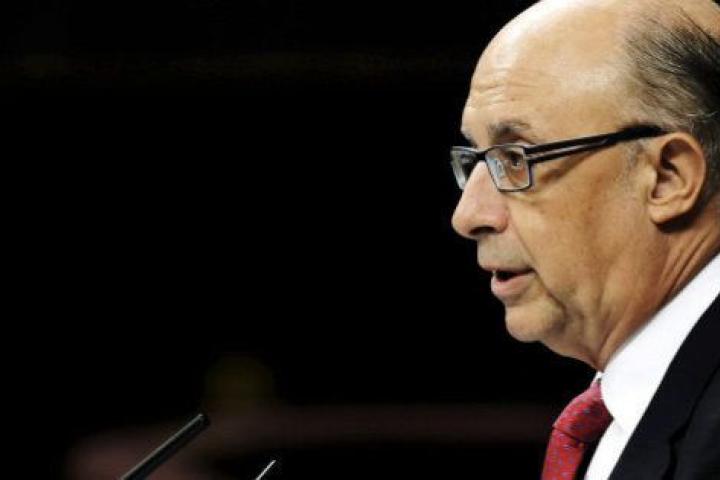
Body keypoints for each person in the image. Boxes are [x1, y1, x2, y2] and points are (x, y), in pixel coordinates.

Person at [449, 0, 720, 478]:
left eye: (517, 159)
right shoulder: (630, 409)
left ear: (668, 177)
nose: (468, 216)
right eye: (476, 160)